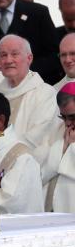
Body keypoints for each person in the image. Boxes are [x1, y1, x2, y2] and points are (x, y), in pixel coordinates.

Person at [0, 34, 58, 163]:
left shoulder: (45, 93)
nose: (8, 60)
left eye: (14, 54)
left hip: (25, 165)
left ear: (29, 58)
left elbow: (37, 138)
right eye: (3, 55)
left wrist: (2, 157)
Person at [42, 82, 75, 213]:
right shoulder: (56, 130)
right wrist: (63, 147)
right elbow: (42, 173)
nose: (67, 123)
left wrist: (72, 147)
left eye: (72, 117)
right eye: (63, 117)